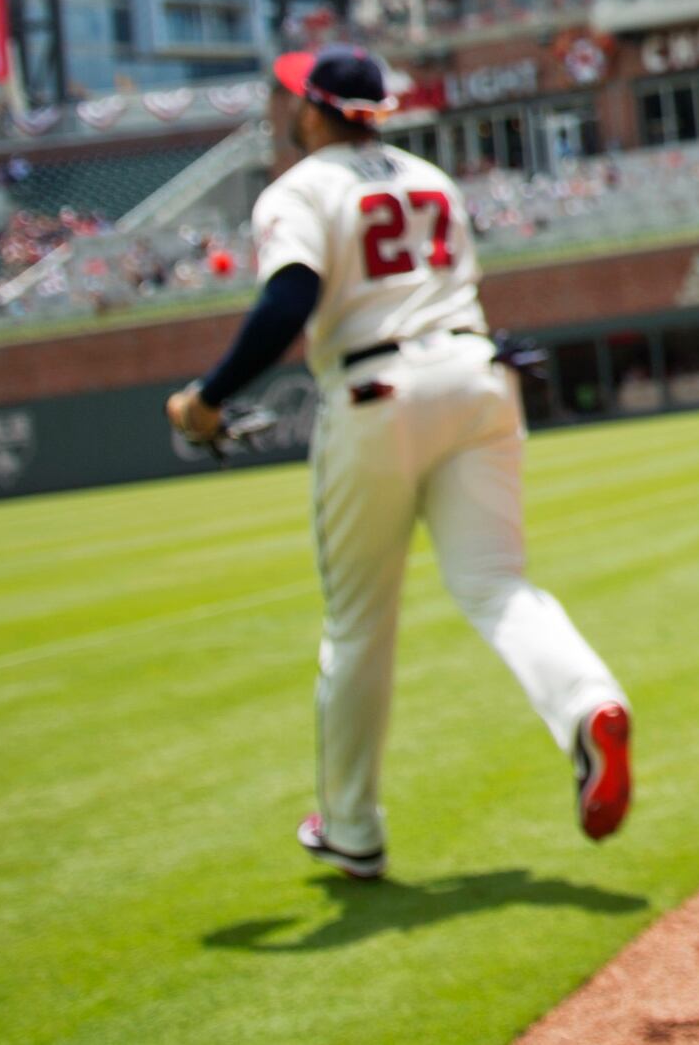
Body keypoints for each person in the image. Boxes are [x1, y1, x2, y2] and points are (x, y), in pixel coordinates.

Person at [163, 46, 632, 879]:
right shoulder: (429, 177)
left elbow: (290, 297)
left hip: (378, 389)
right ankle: (589, 704)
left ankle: (351, 826)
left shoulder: (302, 187)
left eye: (295, 97)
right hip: (477, 373)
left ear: (316, 109)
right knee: (498, 584)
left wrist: (209, 395)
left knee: (358, 623)